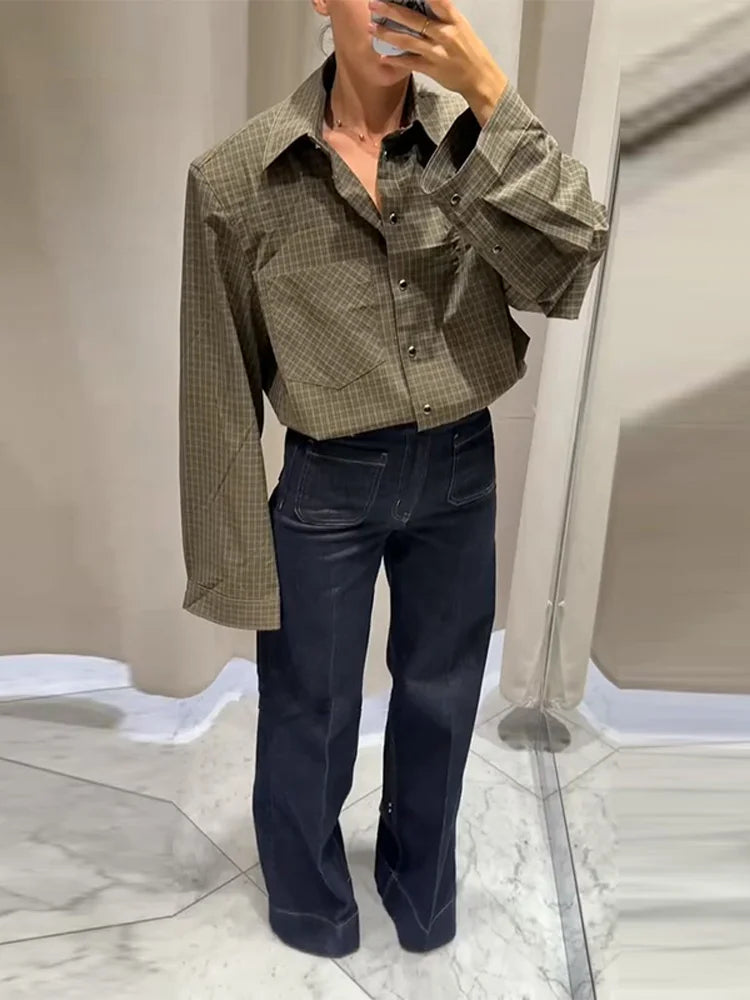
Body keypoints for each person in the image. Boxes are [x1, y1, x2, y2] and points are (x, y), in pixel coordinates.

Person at [178, 0, 609, 960]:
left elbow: (571, 263)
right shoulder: (240, 178)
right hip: (328, 480)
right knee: (310, 703)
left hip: (459, 465)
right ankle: (307, 901)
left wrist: (489, 92)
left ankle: (422, 886)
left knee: (443, 696)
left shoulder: (473, 141)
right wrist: (233, 564)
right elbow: (216, 387)